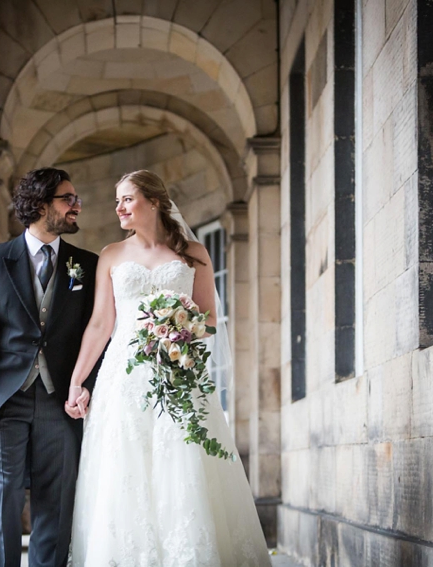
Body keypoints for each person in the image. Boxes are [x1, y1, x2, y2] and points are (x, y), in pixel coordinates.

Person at [64, 170, 271, 566]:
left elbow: (209, 319)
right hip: (122, 377)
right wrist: (77, 381)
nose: (119, 207)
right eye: (117, 200)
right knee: (125, 467)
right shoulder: (111, 255)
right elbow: (100, 324)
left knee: (184, 463)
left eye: (127, 199)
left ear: (154, 201)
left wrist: (179, 324)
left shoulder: (193, 253)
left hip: (178, 370)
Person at [0, 167, 100, 567]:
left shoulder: (84, 264)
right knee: (3, 495)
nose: (77, 205)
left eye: (75, 198)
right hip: (7, 399)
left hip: (62, 400)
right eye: (67, 198)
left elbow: (96, 333)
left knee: (55, 499)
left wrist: (85, 384)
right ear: (41, 205)